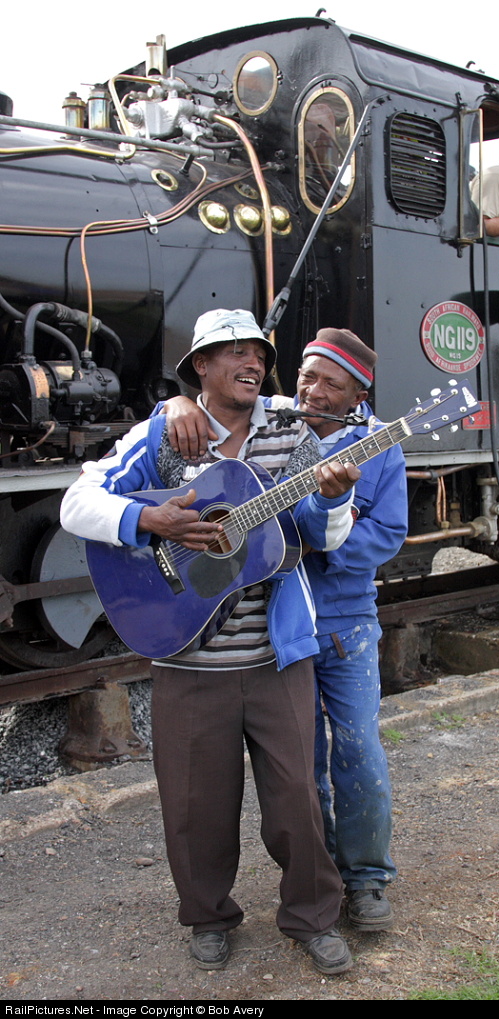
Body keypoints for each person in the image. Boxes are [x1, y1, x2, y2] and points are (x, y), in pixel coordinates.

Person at [60, 309, 361, 976]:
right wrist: (149, 518)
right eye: (234, 352)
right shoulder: (164, 432)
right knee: (195, 807)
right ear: (201, 365)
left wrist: (334, 498)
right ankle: (208, 916)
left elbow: (325, 536)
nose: (252, 362)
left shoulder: (291, 432)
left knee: (297, 801)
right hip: (187, 654)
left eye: (259, 354)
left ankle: (313, 917)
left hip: (276, 656)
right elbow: (75, 504)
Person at [162, 327, 408, 933]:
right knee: (302, 768)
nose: (313, 391)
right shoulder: (272, 417)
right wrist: (178, 401)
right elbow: (209, 399)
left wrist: (313, 540)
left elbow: (388, 533)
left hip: (343, 621)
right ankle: (322, 875)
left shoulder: (379, 445)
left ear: (358, 396)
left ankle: (367, 877)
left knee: (357, 748)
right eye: (307, 376)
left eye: (332, 385)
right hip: (279, 627)